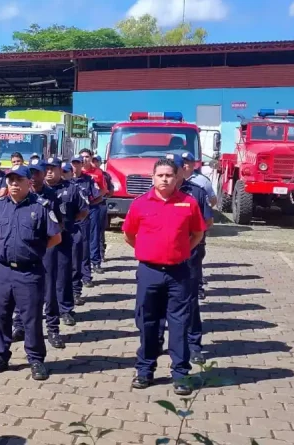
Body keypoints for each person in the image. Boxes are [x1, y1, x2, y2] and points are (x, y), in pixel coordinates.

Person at [122, 158, 206, 396]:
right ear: (153, 178)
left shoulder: (188, 203)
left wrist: (181, 252)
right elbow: (129, 234)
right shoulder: (140, 204)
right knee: (147, 322)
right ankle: (145, 371)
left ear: (177, 177)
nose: (165, 179)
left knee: (179, 324)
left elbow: (198, 233)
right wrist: (147, 251)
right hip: (149, 272)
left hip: (179, 273)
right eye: (160, 175)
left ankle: (180, 374)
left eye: (169, 175)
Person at [0, 164, 61, 381]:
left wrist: (30, 252)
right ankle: (1, 355)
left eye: (19, 180)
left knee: (31, 318)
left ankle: (36, 359)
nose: (14, 184)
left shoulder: (42, 207)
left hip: (29, 273)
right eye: (11, 180)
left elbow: (55, 238)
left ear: (30, 182)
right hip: (3, 271)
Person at [156, 152, 214, 365]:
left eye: (174, 169)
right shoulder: (155, 192)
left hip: (188, 256)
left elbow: (207, 222)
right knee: (159, 299)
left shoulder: (196, 193)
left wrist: (187, 242)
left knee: (189, 301)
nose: (168, 175)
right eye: (165, 170)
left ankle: (193, 345)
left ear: (182, 171)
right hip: (159, 257)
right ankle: (157, 341)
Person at [11, 158, 65, 349]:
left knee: (49, 290)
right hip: (25, 250)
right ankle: (19, 325)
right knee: (20, 287)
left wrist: (43, 245)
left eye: (37, 172)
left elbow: (59, 224)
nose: (34, 177)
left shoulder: (52, 196)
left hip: (47, 248)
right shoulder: (21, 197)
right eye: (30, 173)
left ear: (43, 174)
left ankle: (52, 329)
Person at [45, 157, 88, 326]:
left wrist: (68, 224)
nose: (49, 171)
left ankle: (65, 310)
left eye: (53, 168)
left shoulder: (71, 188)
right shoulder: (38, 189)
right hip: (44, 240)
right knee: (44, 276)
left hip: (64, 238)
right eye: (46, 168)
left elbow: (83, 211)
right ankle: (46, 308)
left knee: (63, 275)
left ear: (59, 169)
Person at [180, 151, 215, 298]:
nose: (185, 165)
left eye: (188, 162)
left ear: (194, 165)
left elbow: (212, 200)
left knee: (196, 257)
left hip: (197, 228)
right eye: (183, 162)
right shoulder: (170, 181)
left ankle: (198, 286)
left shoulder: (202, 181)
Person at [70, 155, 103, 295]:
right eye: (74, 163)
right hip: (70, 220)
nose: (76, 166)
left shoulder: (88, 180)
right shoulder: (66, 180)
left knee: (84, 248)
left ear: (81, 165)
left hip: (84, 219)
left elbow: (98, 195)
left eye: (79, 163)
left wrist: (88, 207)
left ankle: (86, 276)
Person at [80, 149, 109, 273]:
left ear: (91, 157)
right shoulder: (77, 172)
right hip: (80, 209)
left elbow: (104, 190)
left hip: (93, 207)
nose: (85, 159)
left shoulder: (98, 172)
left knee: (94, 235)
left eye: (87, 156)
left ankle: (96, 262)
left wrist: (93, 199)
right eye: (83, 157)